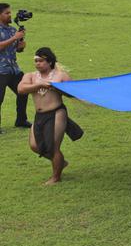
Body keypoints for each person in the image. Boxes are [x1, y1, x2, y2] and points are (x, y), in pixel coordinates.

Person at [17, 47, 83, 184]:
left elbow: (73, 92)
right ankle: (60, 162)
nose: (37, 63)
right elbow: (21, 89)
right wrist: (39, 85)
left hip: (57, 113)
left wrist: (59, 88)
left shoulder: (61, 76)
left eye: (40, 61)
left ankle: (56, 177)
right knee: (35, 146)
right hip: (39, 115)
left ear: (49, 61)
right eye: (35, 61)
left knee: (53, 147)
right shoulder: (30, 76)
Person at [0, 4, 30, 130]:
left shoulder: (13, 30)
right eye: (7, 13)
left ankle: (21, 120)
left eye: (10, 12)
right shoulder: (13, 34)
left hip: (13, 69)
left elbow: (18, 50)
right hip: (1, 70)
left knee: (23, 92)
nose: (10, 15)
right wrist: (14, 38)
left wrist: (21, 45)